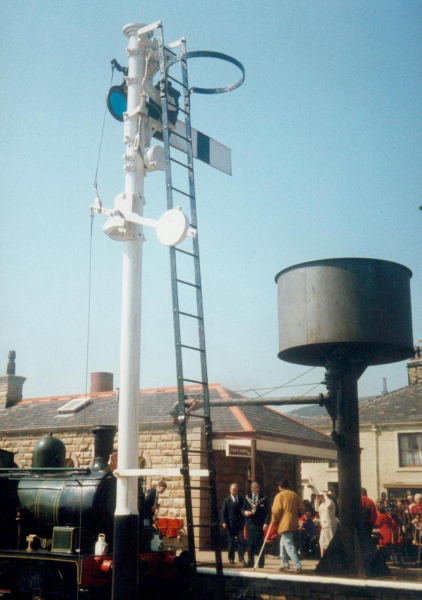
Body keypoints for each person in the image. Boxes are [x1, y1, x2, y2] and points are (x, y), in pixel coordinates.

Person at [270, 479, 305, 574]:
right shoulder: (295, 495)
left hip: (284, 523)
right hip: (293, 522)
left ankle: (298, 566)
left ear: (280, 487)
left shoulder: (279, 496)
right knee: (283, 543)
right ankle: (285, 564)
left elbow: (276, 511)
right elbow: (302, 509)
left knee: (289, 545)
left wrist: (273, 521)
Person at [242, 482, 269, 568]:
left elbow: (268, 512)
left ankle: (261, 563)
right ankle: (250, 562)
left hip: (260, 525)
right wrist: (245, 512)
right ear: (251, 489)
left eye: (258, 488)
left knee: (260, 544)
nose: (257, 489)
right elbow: (242, 509)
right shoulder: (247, 498)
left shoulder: (263, 498)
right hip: (250, 524)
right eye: (255, 488)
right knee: (250, 544)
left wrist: (266, 523)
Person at [221, 483, 246, 565]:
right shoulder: (226, 500)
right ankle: (231, 558)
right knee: (231, 541)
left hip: (239, 523)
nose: (234, 491)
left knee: (241, 541)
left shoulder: (241, 499)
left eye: (235, 490)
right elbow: (223, 512)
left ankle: (241, 557)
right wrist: (224, 522)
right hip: (231, 524)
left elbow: (243, 510)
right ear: (230, 490)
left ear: (237, 490)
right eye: (233, 490)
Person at [315, 491, 337, 557]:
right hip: (324, 527)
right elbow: (317, 509)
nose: (321, 497)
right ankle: (322, 559)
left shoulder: (331, 503)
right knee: (322, 543)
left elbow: (328, 505)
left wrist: (325, 496)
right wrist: (316, 501)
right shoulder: (322, 505)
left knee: (330, 543)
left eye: (321, 496)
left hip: (329, 526)